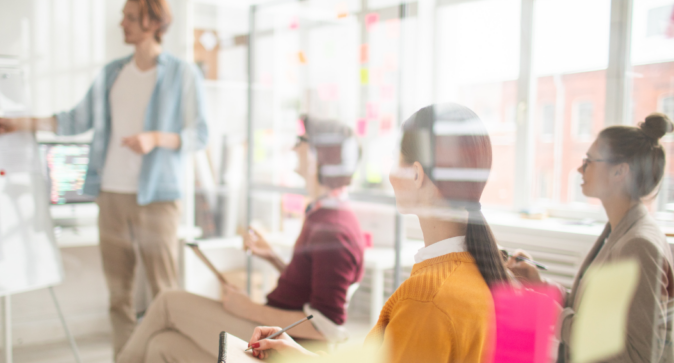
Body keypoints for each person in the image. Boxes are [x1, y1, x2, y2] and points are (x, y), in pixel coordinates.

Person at [0, 0, 208, 357]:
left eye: (131, 17)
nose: (122, 23)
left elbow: (200, 134)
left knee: (166, 294)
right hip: (111, 194)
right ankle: (125, 357)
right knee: (118, 295)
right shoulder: (111, 74)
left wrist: (155, 137)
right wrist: (18, 123)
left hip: (158, 199)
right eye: (124, 16)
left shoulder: (182, 74)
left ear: (153, 22)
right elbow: (74, 120)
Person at [248, 103, 509, 363]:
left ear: (416, 174)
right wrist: (299, 356)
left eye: (396, 159)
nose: (390, 173)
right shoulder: (481, 272)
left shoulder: (426, 299)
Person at [116, 116, 366, 363]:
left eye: (302, 140)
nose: (294, 146)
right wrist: (273, 258)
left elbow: (326, 328)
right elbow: (310, 288)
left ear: (319, 155)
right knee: (162, 346)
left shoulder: (334, 228)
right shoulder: (324, 215)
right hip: (272, 330)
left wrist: (246, 308)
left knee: (167, 301)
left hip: (281, 346)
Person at [507, 112, 674, 363]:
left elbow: (638, 356)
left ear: (620, 172)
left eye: (589, 161)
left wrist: (555, 317)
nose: (579, 168)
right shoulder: (619, 229)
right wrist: (542, 284)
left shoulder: (639, 245)